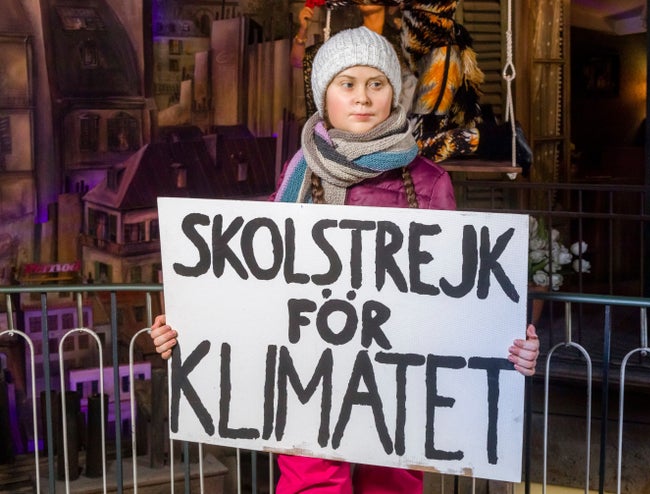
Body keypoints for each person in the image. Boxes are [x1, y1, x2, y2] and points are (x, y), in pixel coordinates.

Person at [150, 26, 539, 494]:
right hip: (309, 375)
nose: (363, 97)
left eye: (376, 83)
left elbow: (458, 294)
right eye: (347, 83)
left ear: (394, 93)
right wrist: (193, 326)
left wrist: (506, 342)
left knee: (391, 484)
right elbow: (257, 277)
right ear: (324, 97)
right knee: (311, 484)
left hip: (398, 379)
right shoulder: (297, 174)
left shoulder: (429, 181)